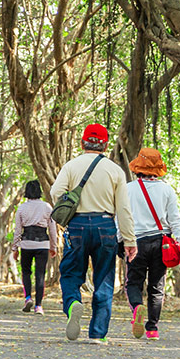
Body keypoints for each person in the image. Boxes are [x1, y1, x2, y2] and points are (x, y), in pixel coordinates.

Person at [50, 123, 137, 343]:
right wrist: (129, 240)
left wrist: (70, 203)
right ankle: (98, 333)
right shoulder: (115, 170)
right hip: (105, 225)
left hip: (77, 225)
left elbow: (55, 192)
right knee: (104, 279)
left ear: (82, 142)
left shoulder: (72, 166)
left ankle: (72, 304)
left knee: (70, 273)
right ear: (106, 145)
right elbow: (124, 209)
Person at [125, 147, 180, 340]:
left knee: (133, 282)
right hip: (161, 244)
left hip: (136, 242)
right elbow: (175, 220)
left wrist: (122, 241)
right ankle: (152, 328)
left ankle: (137, 308)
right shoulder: (167, 189)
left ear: (139, 167)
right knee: (157, 287)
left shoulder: (128, 189)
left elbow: (122, 218)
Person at [12, 179, 54, 314]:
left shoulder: (22, 208)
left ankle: (28, 297)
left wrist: (15, 248)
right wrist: (54, 247)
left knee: (26, 272)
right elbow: (52, 229)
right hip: (43, 244)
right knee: (40, 274)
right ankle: (39, 306)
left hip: (26, 244)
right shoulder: (47, 207)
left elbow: (18, 230)